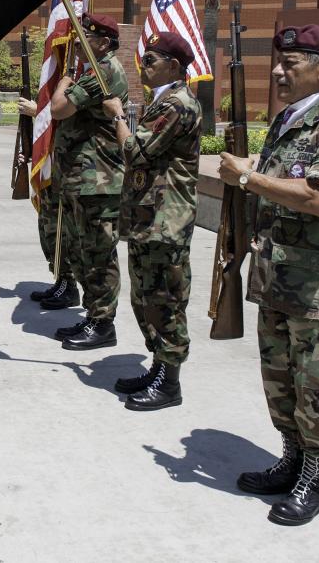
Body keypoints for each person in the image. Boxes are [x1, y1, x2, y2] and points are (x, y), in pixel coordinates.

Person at [219, 24, 319, 526]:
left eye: (292, 63)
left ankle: (317, 477)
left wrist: (247, 177)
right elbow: (283, 178)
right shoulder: (293, 117)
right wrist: (254, 169)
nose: (279, 71)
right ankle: (291, 460)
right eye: (279, 62)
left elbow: (316, 197)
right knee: (280, 380)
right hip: (280, 276)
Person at [102, 32, 202, 411]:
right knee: (145, 298)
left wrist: (118, 118)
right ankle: (159, 366)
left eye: (152, 60)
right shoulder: (162, 101)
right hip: (149, 217)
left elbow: (136, 151)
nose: (144, 66)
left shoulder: (176, 104)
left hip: (167, 220)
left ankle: (169, 382)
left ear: (174, 66)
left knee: (166, 300)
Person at [50, 14, 128, 350]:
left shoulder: (104, 70)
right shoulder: (94, 68)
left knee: (98, 253)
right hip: (83, 179)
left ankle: (103, 324)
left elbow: (59, 109)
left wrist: (66, 77)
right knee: (84, 251)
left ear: (105, 43)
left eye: (88, 37)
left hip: (98, 180)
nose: (79, 41)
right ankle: (93, 316)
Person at [17, 95, 81, 308]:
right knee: (47, 228)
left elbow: (70, 118)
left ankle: (68, 284)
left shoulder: (72, 80)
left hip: (63, 168)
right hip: (50, 167)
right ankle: (61, 279)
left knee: (59, 229)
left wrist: (38, 111)